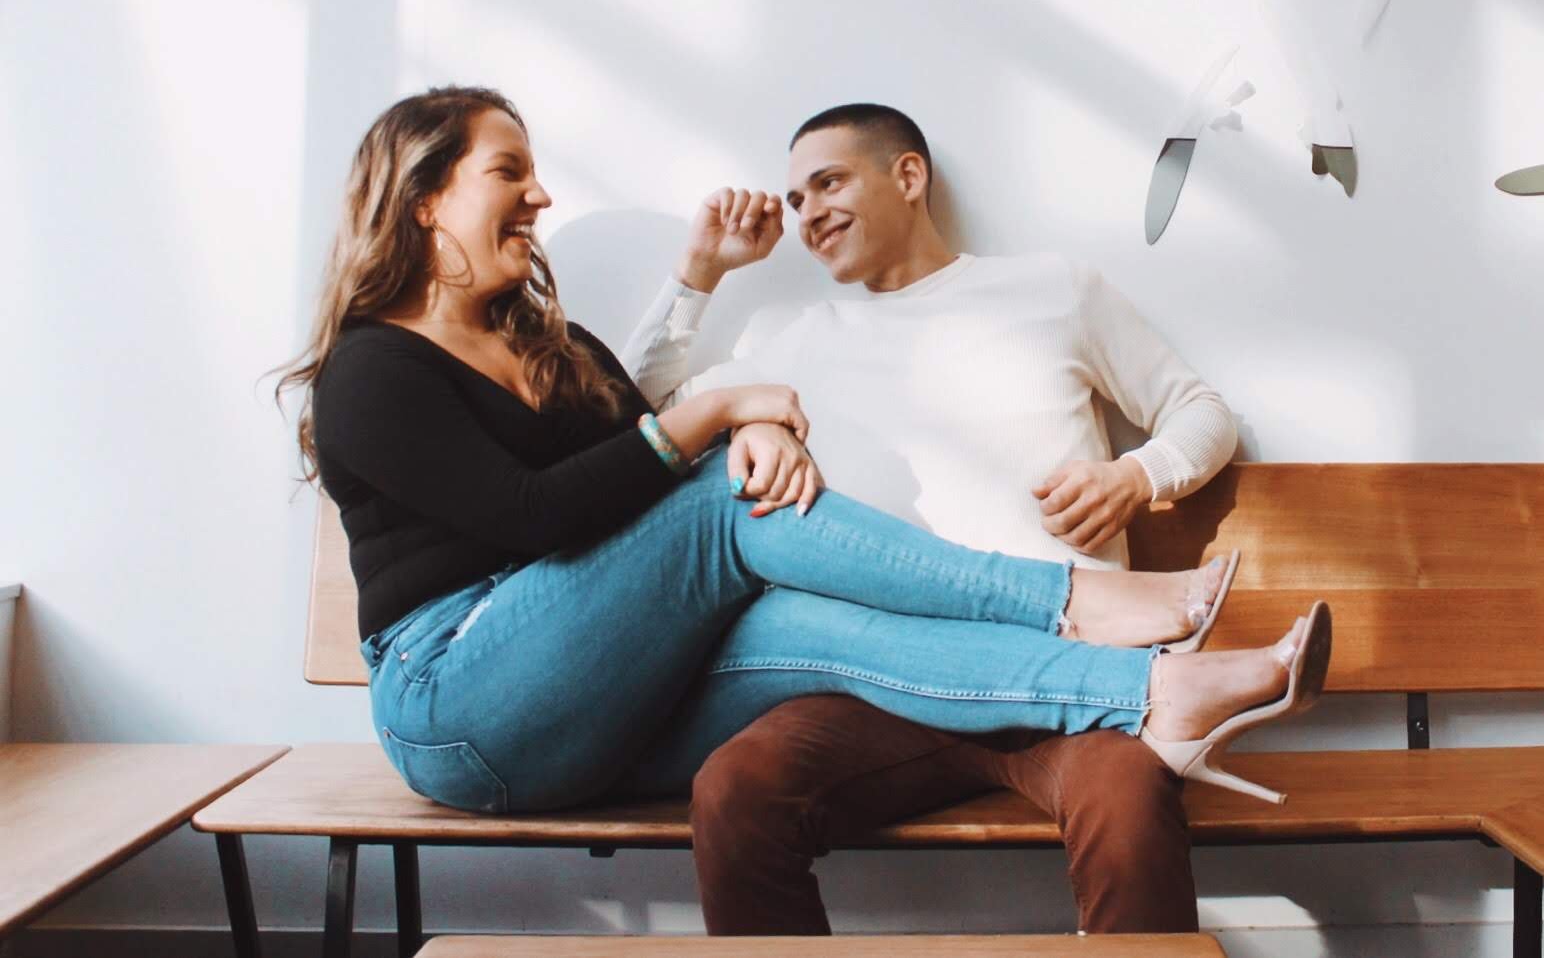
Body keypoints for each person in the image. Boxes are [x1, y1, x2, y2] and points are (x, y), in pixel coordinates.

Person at [276, 85, 1329, 823]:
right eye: (510, 170)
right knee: (729, 506)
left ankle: (1153, 695)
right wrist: (727, 410)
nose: (542, 197)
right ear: (424, 199)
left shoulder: (541, 343)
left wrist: (745, 417)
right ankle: (1070, 600)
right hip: (457, 705)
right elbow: (538, 511)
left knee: (805, 622)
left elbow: (633, 440)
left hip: (589, 704)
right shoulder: (370, 371)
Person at [616, 104, 1249, 935]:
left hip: (1073, 678)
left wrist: (1136, 476)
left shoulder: (1053, 289)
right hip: (883, 686)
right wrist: (700, 274)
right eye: (796, 199)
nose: (807, 215)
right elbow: (628, 422)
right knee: (735, 791)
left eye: (828, 182)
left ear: (907, 176)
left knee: (1129, 799)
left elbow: (1202, 411)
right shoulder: (789, 337)